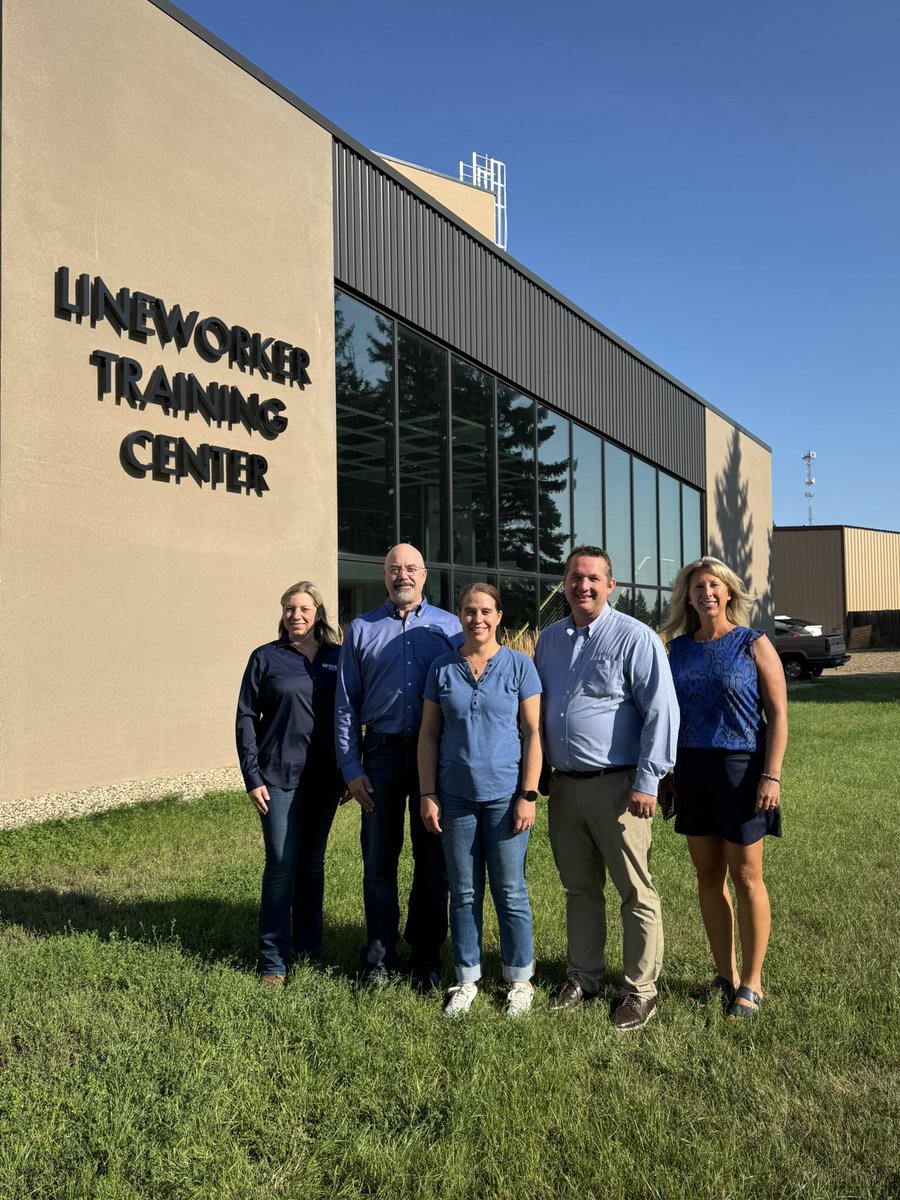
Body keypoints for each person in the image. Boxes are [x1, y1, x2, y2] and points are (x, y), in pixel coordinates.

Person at [534, 545, 679, 1030]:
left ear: (611, 585)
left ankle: (640, 991)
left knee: (635, 891)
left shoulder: (634, 637)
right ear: (565, 582)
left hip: (619, 787)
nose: (584, 586)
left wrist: (648, 780)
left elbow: (661, 710)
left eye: (594, 578)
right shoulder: (548, 639)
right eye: (575, 577)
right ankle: (583, 975)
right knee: (579, 888)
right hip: (564, 788)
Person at [660, 556, 787, 1018]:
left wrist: (771, 775)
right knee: (708, 877)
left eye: (714, 585)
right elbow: (666, 717)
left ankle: (751, 983)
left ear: (728, 592)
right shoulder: (676, 650)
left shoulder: (752, 644)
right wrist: (666, 773)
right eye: (697, 587)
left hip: (742, 771)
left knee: (747, 876)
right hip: (692, 771)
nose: (706, 593)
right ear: (687, 597)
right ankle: (724, 974)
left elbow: (778, 716)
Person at [335, 544, 462, 989]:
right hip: (382, 756)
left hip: (436, 758)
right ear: (384, 576)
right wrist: (350, 766)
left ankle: (427, 957)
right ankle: (379, 957)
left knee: (433, 862)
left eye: (410, 568)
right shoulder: (362, 630)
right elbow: (345, 703)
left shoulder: (451, 627)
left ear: (424, 575)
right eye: (393, 568)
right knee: (378, 860)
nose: (402, 575)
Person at [418, 584, 543, 1018]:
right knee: (464, 893)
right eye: (469, 611)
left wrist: (528, 794)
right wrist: (427, 792)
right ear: (459, 616)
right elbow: (429, 735)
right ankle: (466, 977)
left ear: (499, 616)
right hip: (454, 799)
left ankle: (519, 979)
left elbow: (534, 733)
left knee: (510, 891)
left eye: (486, 611)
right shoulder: (442, 668)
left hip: (506, 797)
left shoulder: (519, 666)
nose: (478, 619)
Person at [236, 581, 343, 987]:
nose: (295, 615)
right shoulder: (265, 658)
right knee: (281, 866)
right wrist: (252, 776)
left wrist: (350, 769)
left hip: (324, 780)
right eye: (288, 608)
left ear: (318, 613)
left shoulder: (337, 658)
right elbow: (246, 717)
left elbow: (349, 714)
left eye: (304, 608)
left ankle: (309, 953)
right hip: (277, 778)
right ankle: (273, 961)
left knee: (312, 866)